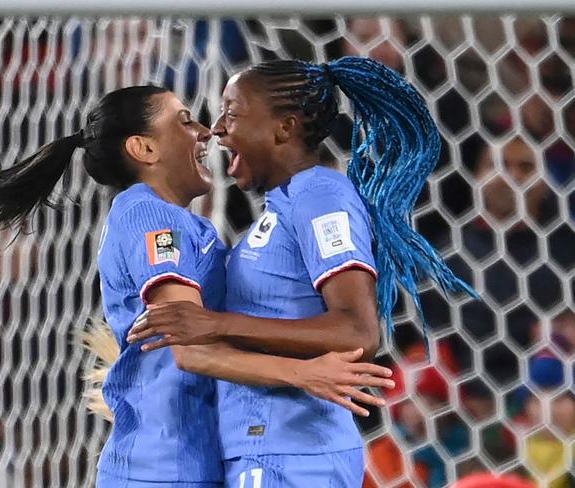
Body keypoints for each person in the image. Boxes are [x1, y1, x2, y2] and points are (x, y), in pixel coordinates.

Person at [0, 85, 395, 487]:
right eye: (184, 121)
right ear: (144, 148)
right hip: (161, 470)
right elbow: (191, 347)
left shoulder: (189, 227)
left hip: (195, 459)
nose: (205, 132)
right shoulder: (148, 216)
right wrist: (303, 373)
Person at [129, 57, 475, 487]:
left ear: (285, 128)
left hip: (295, 453)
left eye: (233, 113)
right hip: (265, 449)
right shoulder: (283, 206)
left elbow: (357, 333)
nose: (217, 128)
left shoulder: (322, 195)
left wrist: (213, 324)